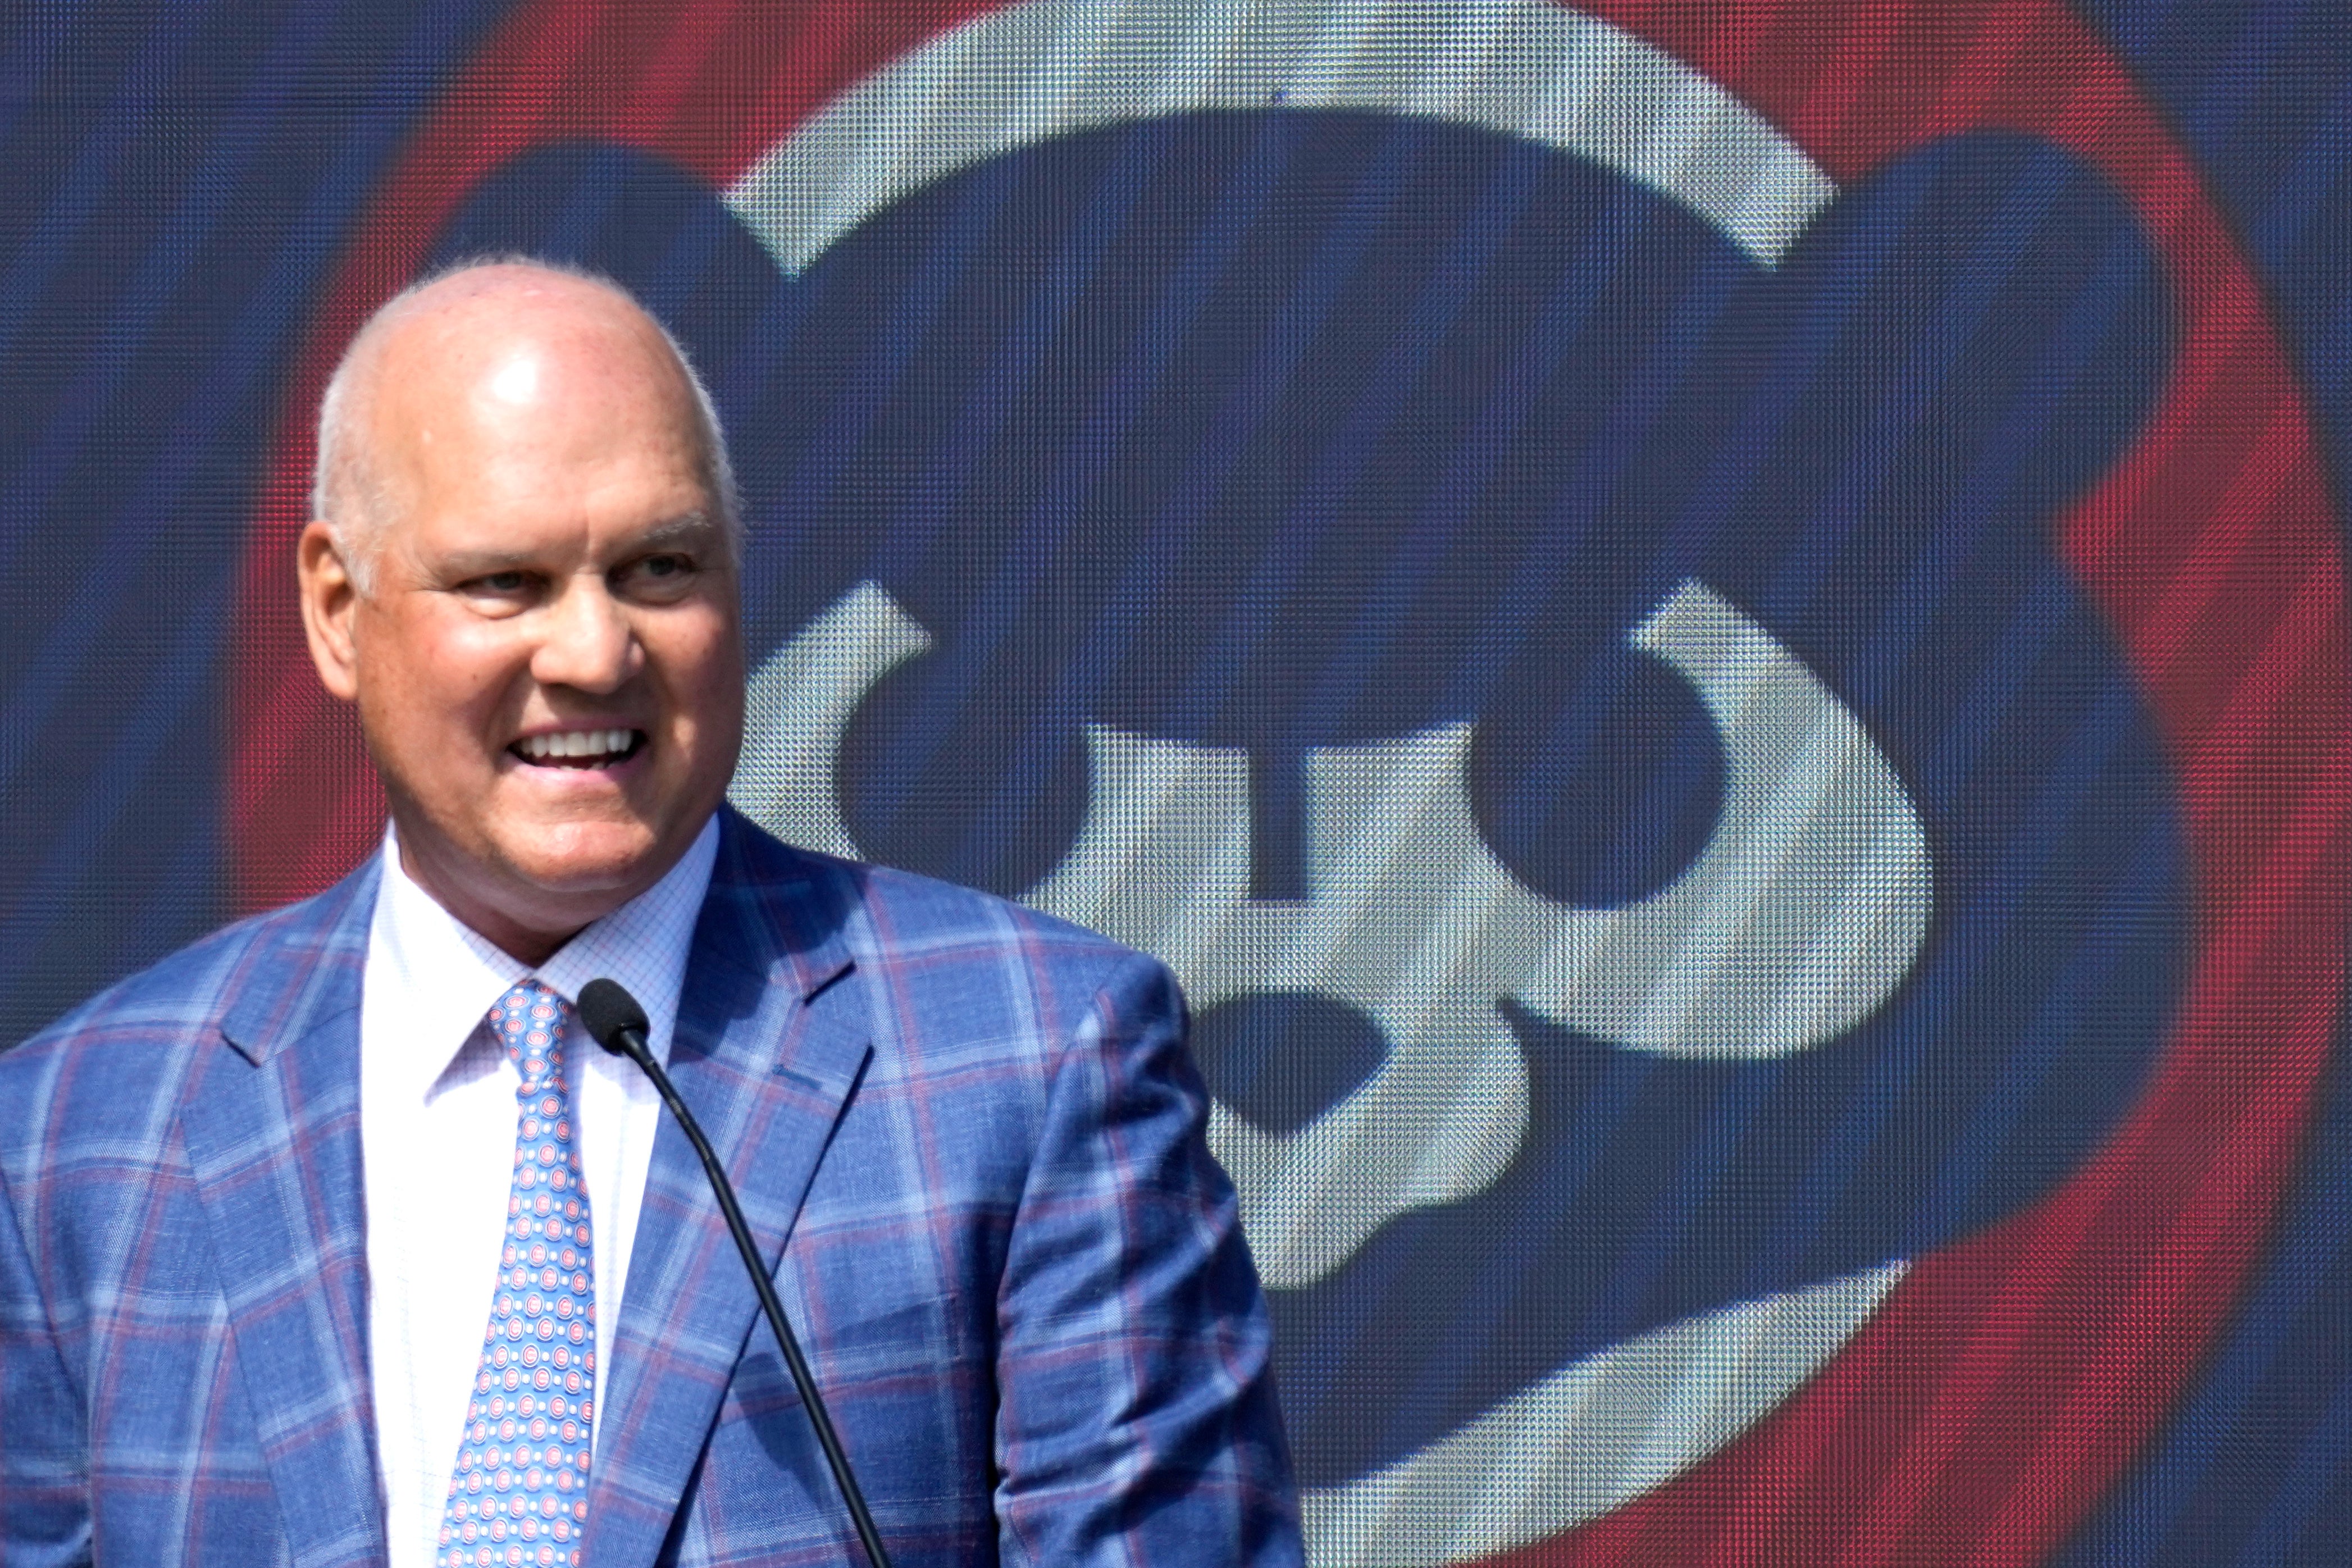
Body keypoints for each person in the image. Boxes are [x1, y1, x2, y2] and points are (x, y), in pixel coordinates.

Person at [0, 260, 1300, 1568]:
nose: (594, 652)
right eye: (505, 581)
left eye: (658, 568)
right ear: (340, 613)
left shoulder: (1033, 1059)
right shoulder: (78, 1142)